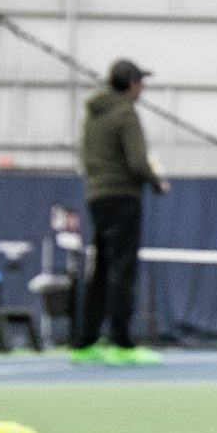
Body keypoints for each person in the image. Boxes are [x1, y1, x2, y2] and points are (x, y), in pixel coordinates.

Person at [73, 57, 170, 364]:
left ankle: (85, 342)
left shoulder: (93, 115)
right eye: (140, 82)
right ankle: (121, 343)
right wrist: (157, 182)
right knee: (121, 271)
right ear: (131, 84)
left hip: (96, 197)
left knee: (99, 271)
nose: (141, 88)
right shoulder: (125, 113)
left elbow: (87, 158)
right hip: (123, 198)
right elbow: (138, 162)